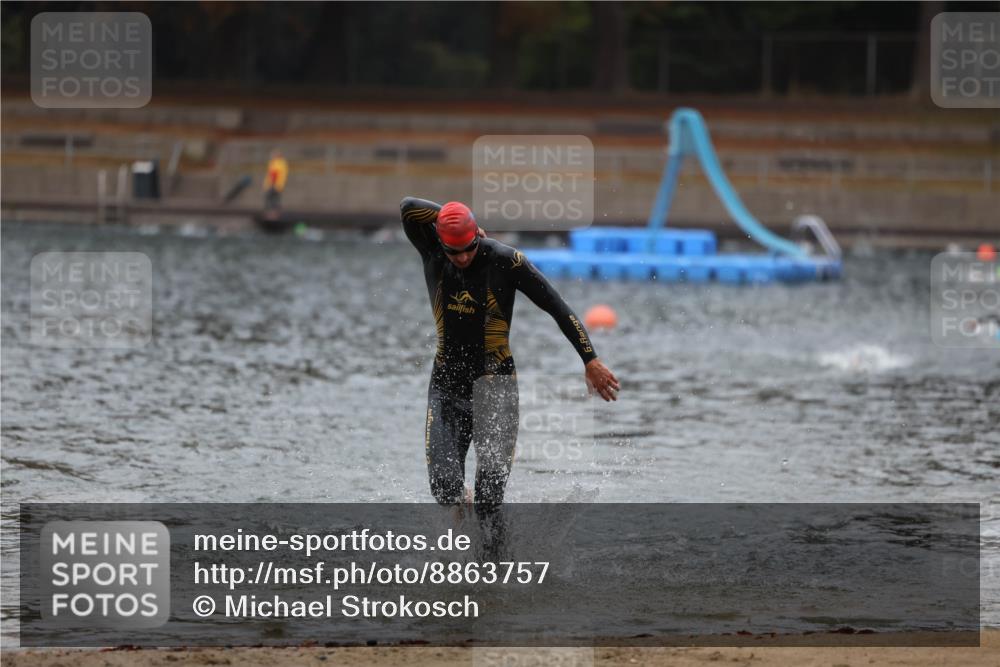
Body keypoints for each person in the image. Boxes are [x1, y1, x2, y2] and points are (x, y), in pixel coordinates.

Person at [400, 197, 620, 517]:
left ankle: (498, 565)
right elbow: (408, 207)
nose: (461, 257)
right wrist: (451, 217)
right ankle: (463, 511)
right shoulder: (431, 250)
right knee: (445, 488)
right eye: (453, 251)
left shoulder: (507, 261)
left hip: (496, 387)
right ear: (441, 243)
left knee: (490, 503)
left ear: (477, 236)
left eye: (468, 248)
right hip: (447, 385)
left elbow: (556, 306)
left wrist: (590, 359)